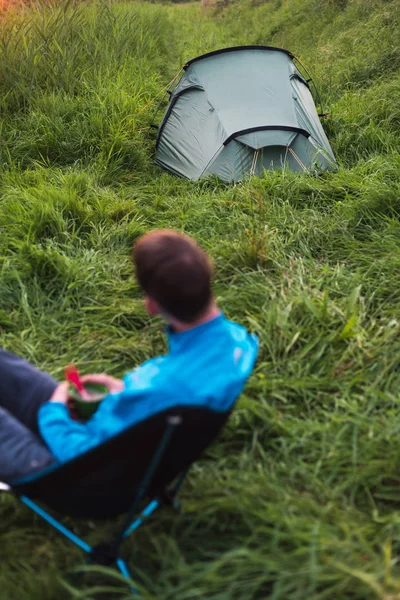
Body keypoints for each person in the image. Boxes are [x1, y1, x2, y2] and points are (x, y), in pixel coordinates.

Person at [0, 229, 258, 481]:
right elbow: (163, 398)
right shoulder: (239, 343)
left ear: (151, 304)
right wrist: (122, 392)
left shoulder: (163, 388)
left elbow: (82, 454)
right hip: (137, 452)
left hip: (83, 479)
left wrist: (53, 411)